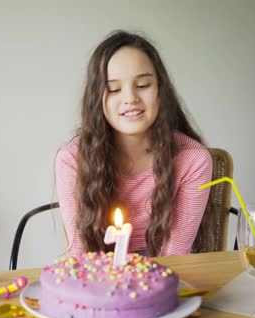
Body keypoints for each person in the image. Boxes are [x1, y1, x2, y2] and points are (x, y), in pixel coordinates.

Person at [55, 30, 213, 258]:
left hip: (164, 276)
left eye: (143, 85)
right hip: (99, 276)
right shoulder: (71, 160)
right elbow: (80, 255)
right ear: (96, 98)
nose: (130, 98)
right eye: (114, 89)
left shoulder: (192, 160)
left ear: (160, 90)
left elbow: (174, 257)